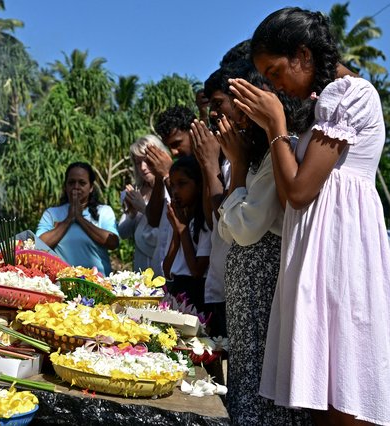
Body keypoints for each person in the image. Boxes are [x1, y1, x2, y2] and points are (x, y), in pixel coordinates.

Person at [230, 7, 390, 425]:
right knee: (322, 399)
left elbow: (299, 191)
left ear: (303, 55)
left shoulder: (352, 94)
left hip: (342, 263)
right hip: (316, 264)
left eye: (277, 71)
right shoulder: (322, 107)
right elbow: (289, 195)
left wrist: (276, 124)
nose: (275, 84)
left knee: (346, 395)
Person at [200, 60, 310, 425]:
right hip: (248, 294)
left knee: (261, 386)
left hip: (262, 291)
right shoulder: (254, 158)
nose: (231, 121)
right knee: (246, 378)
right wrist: (237, 166)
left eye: (237, 108)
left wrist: (236, 164)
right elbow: (227, 230)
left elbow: (243, 229)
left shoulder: (278, 153)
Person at [36, 162, 119, 275]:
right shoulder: (51, 214)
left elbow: (113, 242)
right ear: (65, 186)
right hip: (61, 284)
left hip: (98, 284)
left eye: (82, 183)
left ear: (91, 188)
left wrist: (80, 219)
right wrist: (69, 219)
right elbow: (39, 246)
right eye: (71, 182)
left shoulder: (104, 211)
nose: (76, 187)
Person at [146, 106, 197, 276]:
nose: (174, 152)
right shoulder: (171, 171)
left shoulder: (206, 166)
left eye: (177, 143)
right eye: (169, 147)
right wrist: (161, 176)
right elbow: (152, 219)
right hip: (171, 270)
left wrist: (168, 175)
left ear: (193, 131)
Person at [162, 156, 211, 313]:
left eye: (182, 184)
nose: (175, 191)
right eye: (173, 186)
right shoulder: (180, 219)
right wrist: (177, 231)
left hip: (197, 293)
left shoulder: (204, 221)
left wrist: (183, 229)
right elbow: (167, 269)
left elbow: (197, 271)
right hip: (176, 287)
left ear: (198, 185)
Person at [118, 135, 171, 272]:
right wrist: (131, 213)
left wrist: (143, 207)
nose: (142, 167)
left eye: (147, 161)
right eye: (137, 162)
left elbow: (165, 231)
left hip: (164, 264)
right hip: (141, 265)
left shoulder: (170, 189)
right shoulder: (135, 191)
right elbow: (123, 233)